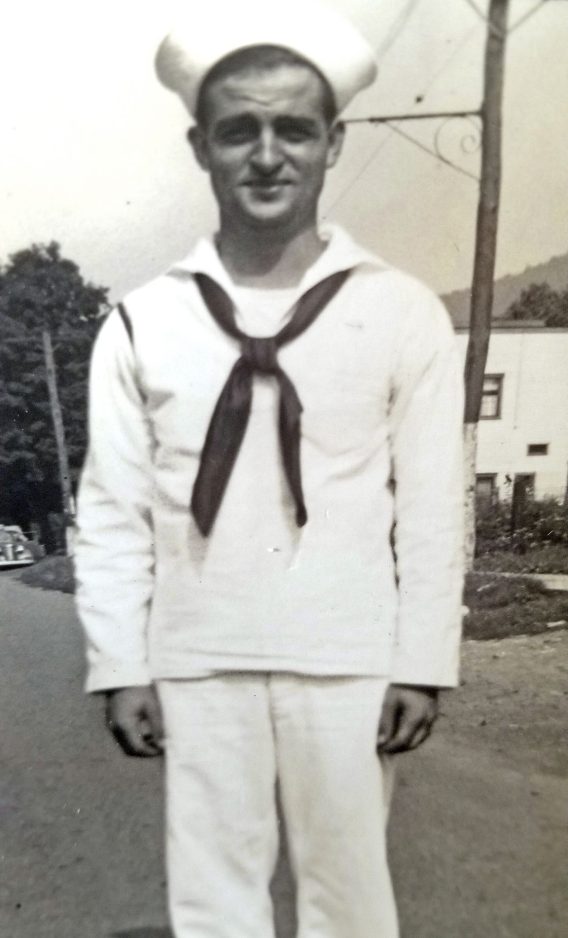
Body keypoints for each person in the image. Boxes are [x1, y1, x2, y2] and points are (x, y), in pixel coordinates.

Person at [75, 2, 464, 936]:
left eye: (293, 129)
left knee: (351, 902)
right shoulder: (143, 322)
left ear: (333, 143)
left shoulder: (400, 311)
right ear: (200, 147)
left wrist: (422, 663)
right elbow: (114, 510)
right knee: (213, 904)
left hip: (347, 660)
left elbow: (433, 509)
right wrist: (122, 665)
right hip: (198, 658)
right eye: (237, 130)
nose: (266, 155)